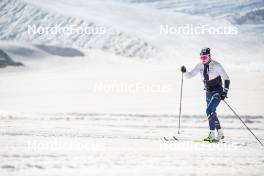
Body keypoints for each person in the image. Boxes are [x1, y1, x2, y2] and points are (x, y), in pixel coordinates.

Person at [181, 48, 230, 142]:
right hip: (208, 93)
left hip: (217, 92)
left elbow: (226, 78)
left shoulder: (216, 65)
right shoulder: (199, 66)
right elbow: (189, 76)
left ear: (209, 56)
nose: (203, 59)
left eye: (205, 57)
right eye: (201, 57)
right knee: (212, 112)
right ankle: (220, 133)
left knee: (209, 110)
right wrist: (184, 71)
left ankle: (212, 134)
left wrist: (225, 91)